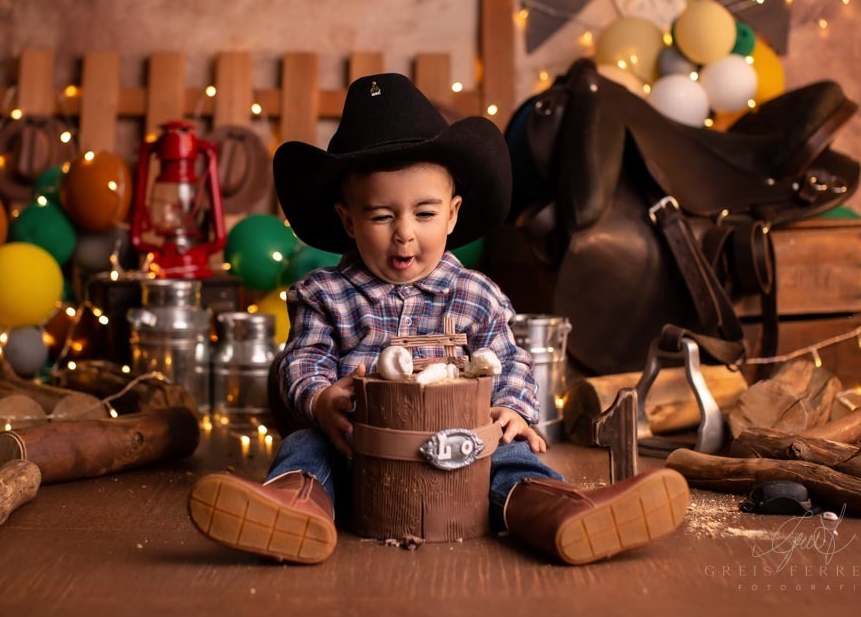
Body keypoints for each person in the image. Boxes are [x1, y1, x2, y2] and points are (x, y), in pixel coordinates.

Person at [188, 73, 689, 565]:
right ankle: (295, 508)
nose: (404, 234)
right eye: (381, 216)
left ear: (452, 214)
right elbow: (302, 359)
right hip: (361, 453)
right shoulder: (326, 295)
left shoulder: (475, 295)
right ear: (348, 220)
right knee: (306, 447)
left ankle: (557, 511)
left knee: (509, 456)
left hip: (462, 454)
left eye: (424, 214)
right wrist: (321, 400)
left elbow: (511, 359)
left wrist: (512, 408)